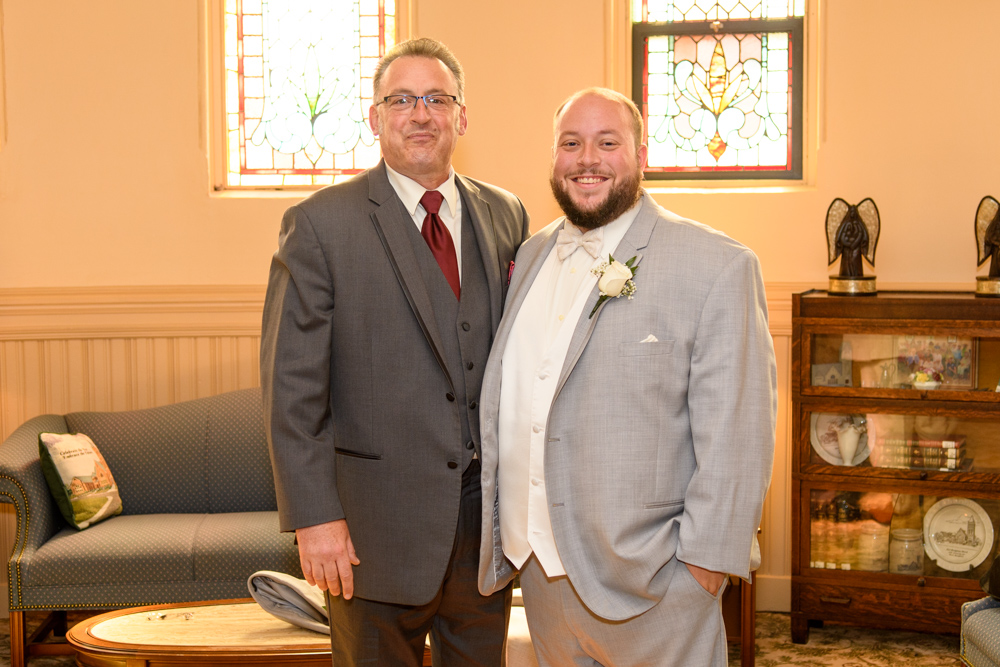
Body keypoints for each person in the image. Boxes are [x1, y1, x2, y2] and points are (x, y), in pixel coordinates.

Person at [477, 87, 777, 666]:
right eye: (571, 143)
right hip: (542, 581)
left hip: (657, 585)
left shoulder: (718, 265)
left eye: (607, 143)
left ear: (641, 155)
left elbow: (739, 433)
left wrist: (703, 569)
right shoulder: (531, 256)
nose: (587, 159)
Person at [261, 37, 530, 666]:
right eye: (401, 100)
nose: (420, 114)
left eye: (437, 99)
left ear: (462, 115)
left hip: (482, 531)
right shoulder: (320, 224)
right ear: (376, 116)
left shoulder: (506, 213)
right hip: (371, 532)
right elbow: (291, 390)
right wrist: (315, 519)